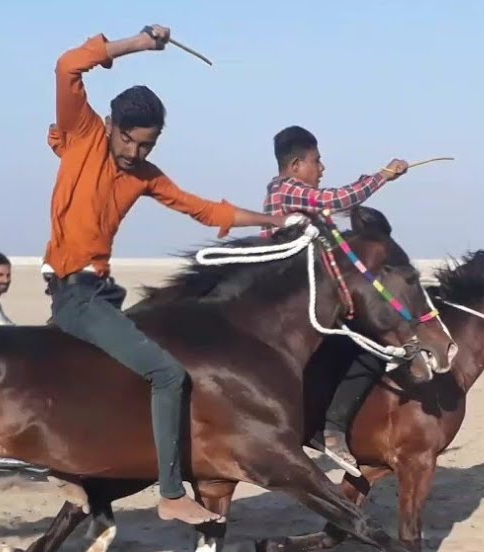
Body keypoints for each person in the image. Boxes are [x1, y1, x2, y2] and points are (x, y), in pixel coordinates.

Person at [44, 25, 296, 525]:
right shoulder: (83, 135)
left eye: (149, 146)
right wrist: (137, 45)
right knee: (166, 373)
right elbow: (68, 65)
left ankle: (83, 472)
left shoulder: (145, 176)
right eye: (134, 143)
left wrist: (271, 221)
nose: (139, 155)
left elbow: (203, 210)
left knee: (132, 374)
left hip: (101, 292)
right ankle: (169, 492)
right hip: (76, 294)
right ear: (113, 126)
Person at [260, 125, 409, 471]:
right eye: (317, 161)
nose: (322, 168)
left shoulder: (285, 194)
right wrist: (383, 175)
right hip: (292, 303)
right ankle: (333, 430)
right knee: (370, 349)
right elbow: (336, 200)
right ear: (296, 164)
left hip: (292, 299)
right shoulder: (289, 190)